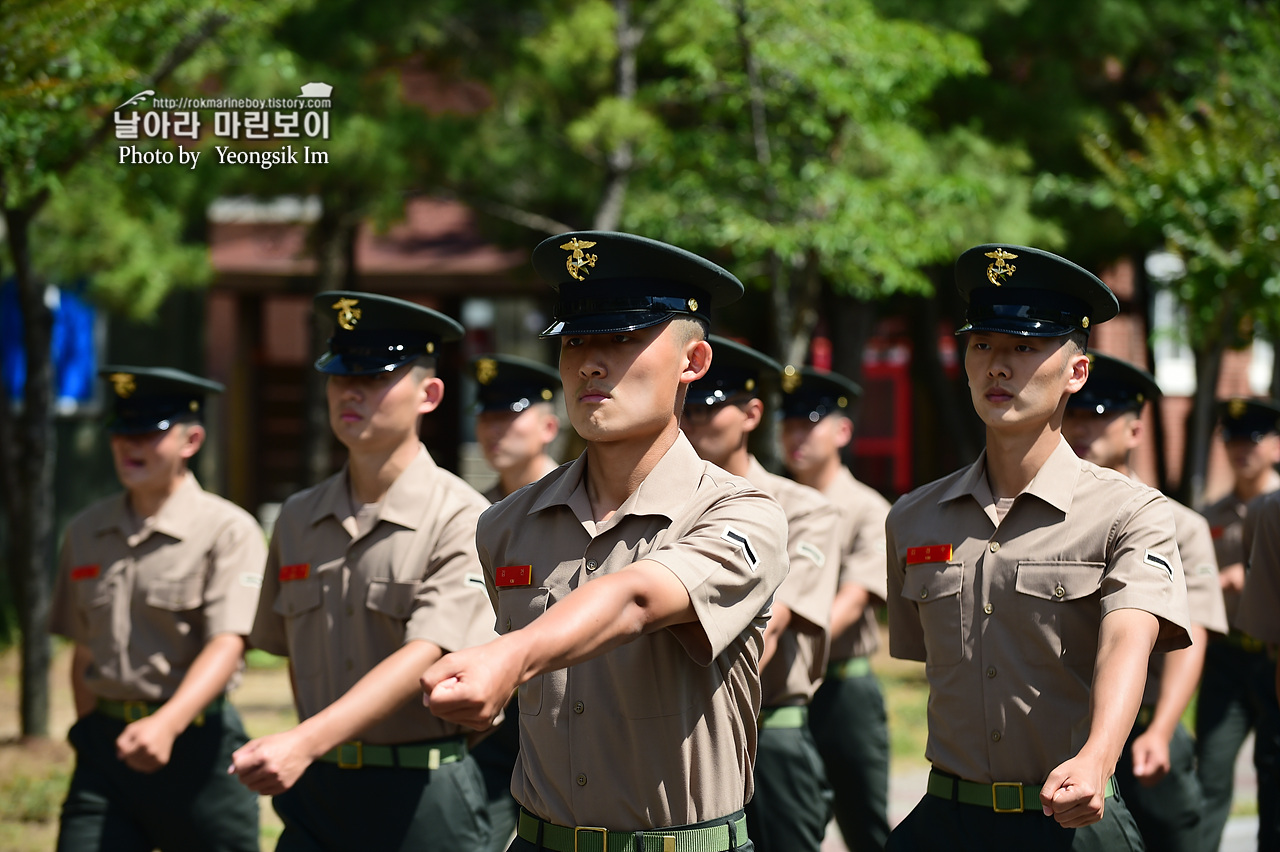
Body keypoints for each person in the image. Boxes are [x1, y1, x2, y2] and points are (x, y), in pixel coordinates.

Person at [421, 231, 789, 852]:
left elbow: (639, 598)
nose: (590, 362)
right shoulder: (507, 524)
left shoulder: (740, 511)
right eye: (575, 341)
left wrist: (510, 657)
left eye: (620, 339)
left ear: (692, 364)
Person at [884, 244, 1191, 851]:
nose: (998, 367)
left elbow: (1129, 636)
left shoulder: (1131, 512)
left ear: (1076, 372)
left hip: (1070, 825)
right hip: (945, 820)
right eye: (982, 345)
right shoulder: (914, 518)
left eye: (1024, 348)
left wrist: (1099, 759)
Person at [231, 292, 497, 851]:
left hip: (422, 790)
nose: (351, 391)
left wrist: (303, 741)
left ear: (429, 394)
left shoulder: (465, 516)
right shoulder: (299, 515)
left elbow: (426, 654)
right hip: (319, 788)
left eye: (376, 377)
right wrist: (312, 749)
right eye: (339, 375)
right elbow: (290, 653)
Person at [50, 366, 265, 852]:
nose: (131, 445)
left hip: (198, 746)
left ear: (191, 440)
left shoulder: (227, 530)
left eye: (149, 431)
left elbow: (228, 642)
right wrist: (92, 733)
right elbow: (84, 651)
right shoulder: (85, 531)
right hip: (108, 750)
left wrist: (166, 723)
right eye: (121, 430)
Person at [1061, 353, 1228, 852]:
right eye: (1076, 413)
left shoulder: (1180, 525)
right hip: (1065, 730)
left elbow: (1189, 638)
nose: (1084, 426)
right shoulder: (1046, 519)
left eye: (1100, 415)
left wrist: (1164, 728)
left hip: (1148, 725)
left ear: (1135, 431)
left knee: (1173, 837)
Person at [682, 335, 842, 852]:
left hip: (769, 730)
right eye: (689, 408)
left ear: (751, 414)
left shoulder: (803, 509)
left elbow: (771, 622)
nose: (697, 421)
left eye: (713, 408)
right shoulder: (667, 512)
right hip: (681, 739)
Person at [780, 366, 892, 852]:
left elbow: (855, 598)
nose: (795, 437)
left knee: (863, 822)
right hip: (778, 684)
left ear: (842, 431)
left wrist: (784, 633)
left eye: (808, 423)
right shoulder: (766, 504)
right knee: (783, 825)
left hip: (841, 687)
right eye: (787, 426)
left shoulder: (868, 508)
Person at [468, 353, 564, 852]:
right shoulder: (478, 513)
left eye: (509, 415)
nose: (494, 429)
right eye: (486, 416)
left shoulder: (581, 507)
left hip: (566, 713)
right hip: (494, 719)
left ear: (549, 424)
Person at [1196, 396, 1280, 852]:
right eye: (1231, 438)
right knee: (1209, 770)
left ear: (1277, 445)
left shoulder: (1277, 509)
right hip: (1227, 659)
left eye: (1253, 437)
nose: (1240, 448)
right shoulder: (1210, 515)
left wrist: (1243, 579)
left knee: (1275, 772)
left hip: (1273, 657)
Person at [472, 354, 563, 503]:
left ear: (548, 427)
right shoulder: (478, 509)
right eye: (484, 417)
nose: (491, 430)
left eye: (505, 416)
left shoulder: (578, 503)